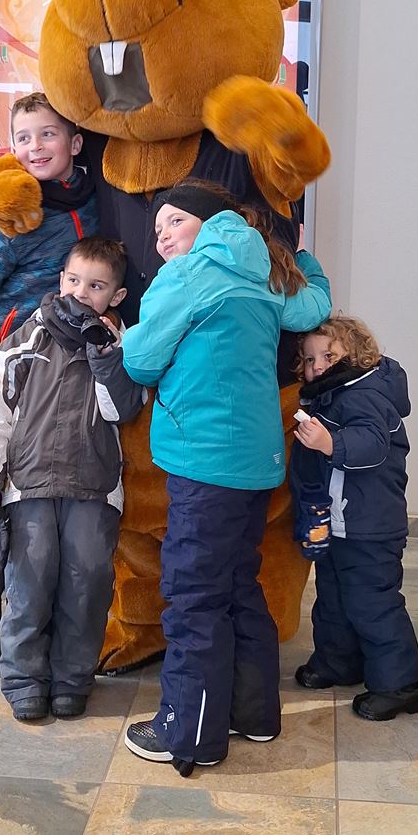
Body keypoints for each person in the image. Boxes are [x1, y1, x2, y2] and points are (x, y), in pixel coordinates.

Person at [119, 178, 332, 775]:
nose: (163, 236)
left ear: (211, 223)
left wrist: (129, 334)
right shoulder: (265, 272)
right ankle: (253, 715)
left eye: (175, 222)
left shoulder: (186, 277)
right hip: (258, 459)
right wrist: (303, 253)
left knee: (193, 596)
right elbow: (313, 305)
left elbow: (140, 359)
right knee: (239, 583)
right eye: (157, 229)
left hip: (204, 460)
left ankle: (187, 732)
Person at [0, 92, 99, 679]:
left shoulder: (97, 200)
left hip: (64, 382)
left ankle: (36, 630)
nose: (35, 149)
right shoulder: (12, 210)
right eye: (23, 137)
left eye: (48, 135)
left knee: (44, 510)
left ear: (75, 143)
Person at [0, 236, 143, 721]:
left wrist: (103, 355)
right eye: (73, 280)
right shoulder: (26, 338)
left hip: (95, 486)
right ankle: (24, 678)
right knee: (29, 581)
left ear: (117, 296)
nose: (81, 292)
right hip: (28, 484)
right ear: (61, 279)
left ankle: (71, 679)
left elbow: (122, 409)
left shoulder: (123, 345)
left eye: (96, 285)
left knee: (86, 582)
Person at [289, 316, 418, 721]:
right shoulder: (329, 396)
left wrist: (330, 441)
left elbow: (372, 444)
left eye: (329, 355)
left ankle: (402, 684)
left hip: (370, 527)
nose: (318, 366)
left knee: (373, 603)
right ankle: (339, 662)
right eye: (310, 359)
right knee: (333, 596)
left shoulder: (364, 393)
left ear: (357, 353)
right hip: (339, 522)